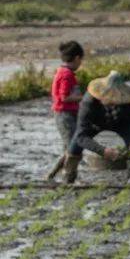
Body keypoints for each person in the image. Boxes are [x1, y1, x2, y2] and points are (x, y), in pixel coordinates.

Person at [64, 71, 130, 185]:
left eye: (115, 98)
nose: (112, 100)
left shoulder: (128, 101)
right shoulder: (88, 102)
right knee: (74, 146)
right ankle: (69, 177)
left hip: (120, 122)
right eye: (108, 97)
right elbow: (81, 136)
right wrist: (102, 151)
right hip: (94, 123)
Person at [46, 41, 84, 181]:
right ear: (77, 58)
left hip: (68, 114)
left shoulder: (65, 72)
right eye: (81, 60)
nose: (80, 64)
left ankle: (52, 175)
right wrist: (84, 97)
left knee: (70, 147)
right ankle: (68, 177)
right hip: (65, 115)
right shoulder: (66, 74)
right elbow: (65, 97)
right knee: (73, 149)